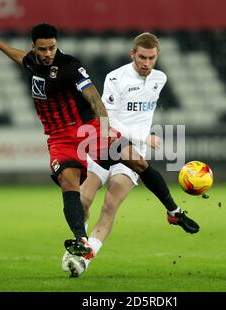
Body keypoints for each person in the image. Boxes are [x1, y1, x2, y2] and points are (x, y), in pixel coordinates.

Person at [0, 22, 199, 268]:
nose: (47, 54)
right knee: (70, 184)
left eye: (52, 48)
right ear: (33, 48)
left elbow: (94, 97)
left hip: (88, 130)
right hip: (59, 137)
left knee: (138, 161)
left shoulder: (71, 66)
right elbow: (20, 57)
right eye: (42, 49)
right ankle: (80, 240)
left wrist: (107, 129)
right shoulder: (32, 61)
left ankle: (173, 212)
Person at [62, 33, 182, 277]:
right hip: (109, 143)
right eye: (141, 57)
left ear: (157, 56)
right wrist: (143, 136)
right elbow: (110, 119)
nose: (146, 63)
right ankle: (79, 240)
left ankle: (84, 259)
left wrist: (140, 141)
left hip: (135, 152)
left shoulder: (161, 78)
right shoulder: (116, 77)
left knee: (110, 205)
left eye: (151, 58)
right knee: (83, 200)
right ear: (132, 54)